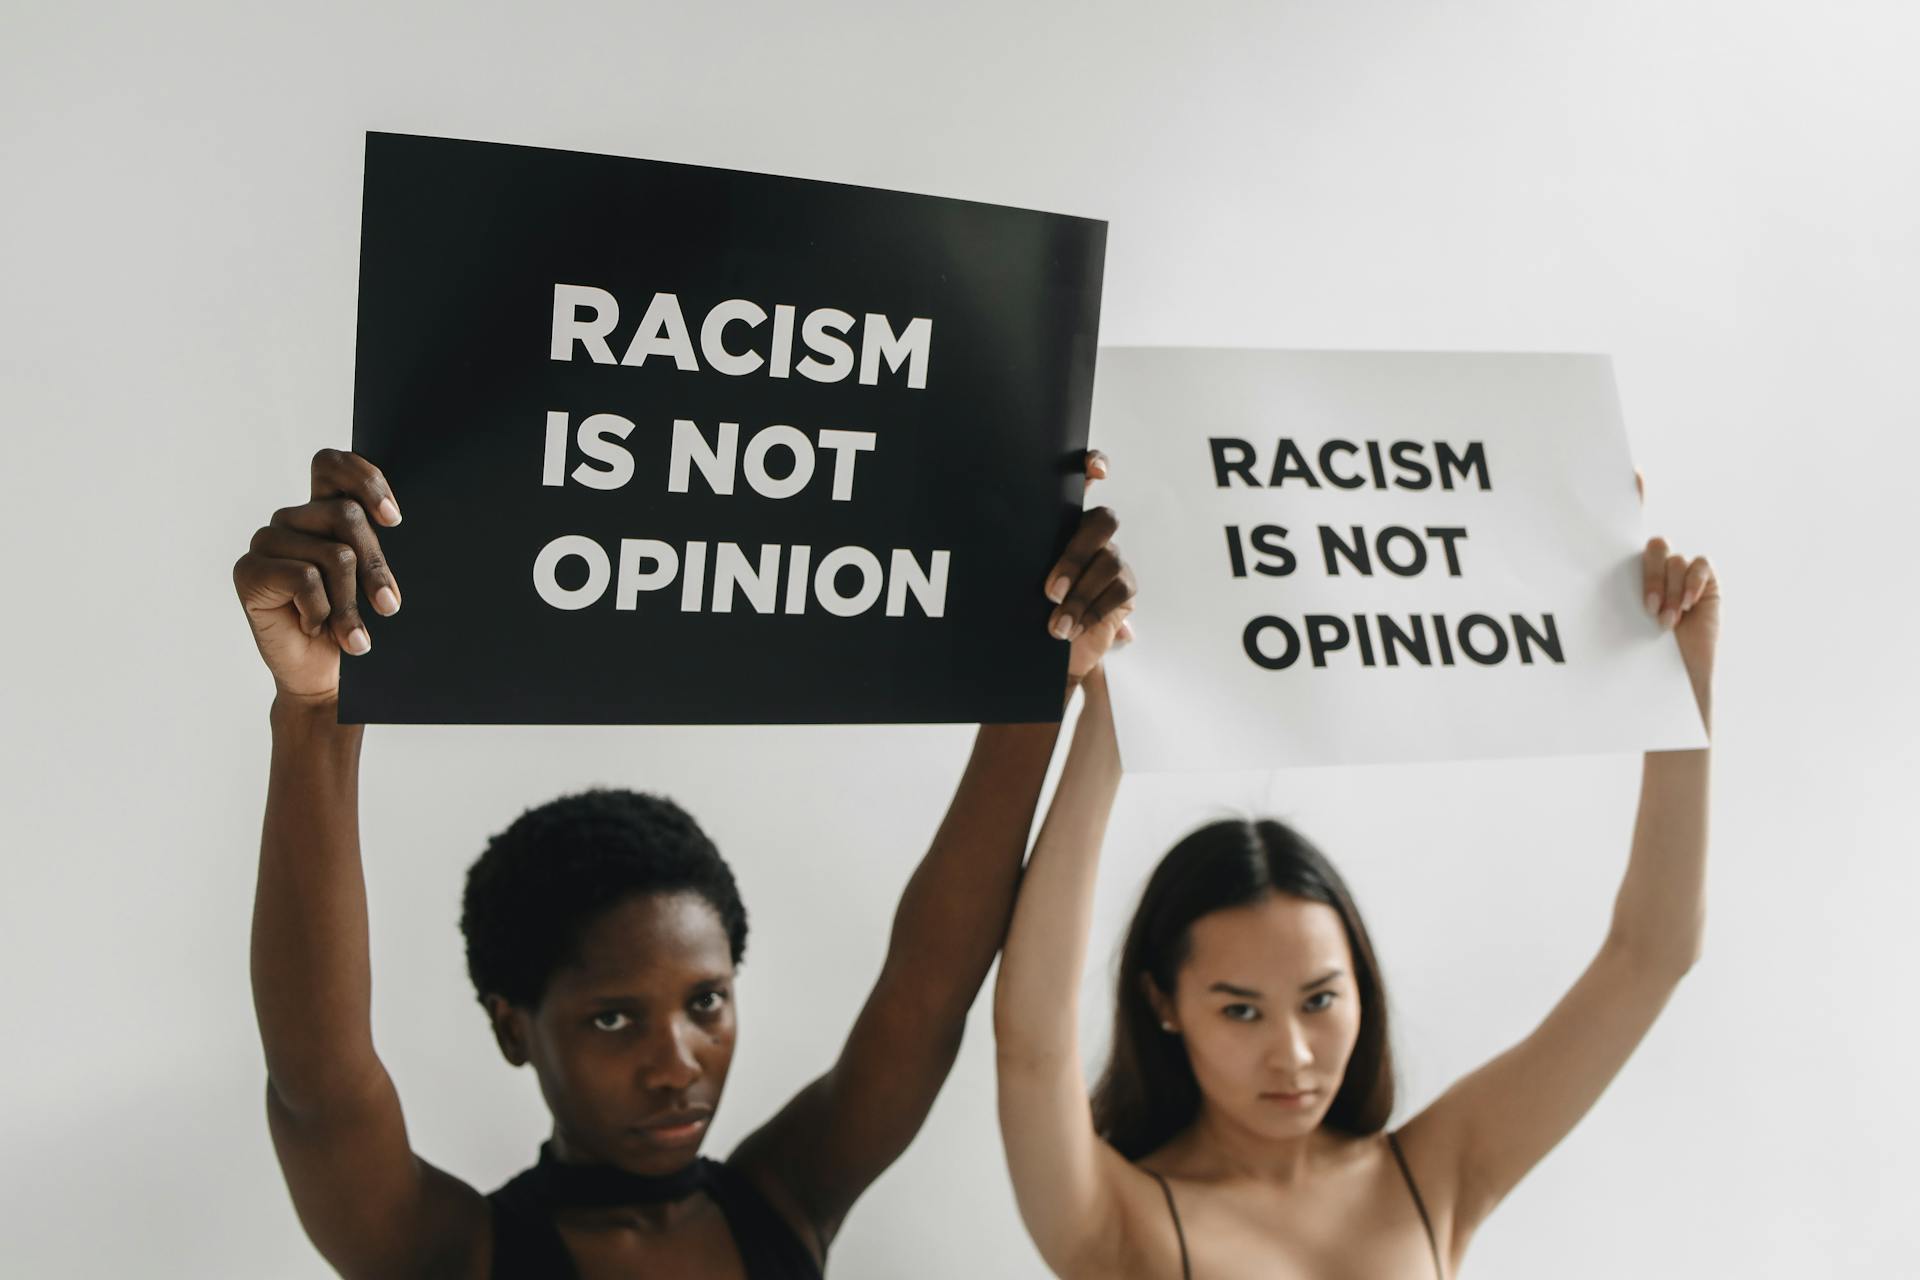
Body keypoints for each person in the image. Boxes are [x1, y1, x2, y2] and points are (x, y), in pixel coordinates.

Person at [235, 446, 1135, 1279]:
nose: (677, 1065)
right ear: (514, 1028)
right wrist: (315, 712)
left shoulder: (789, 1198)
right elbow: (321, 1083)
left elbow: (930, 988)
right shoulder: (449, 1251)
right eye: (614, 1020)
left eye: (705, 1002)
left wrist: (1038, 668)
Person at [993, 528, 1717, 1279]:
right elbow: (1032, 1045)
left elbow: (1651, 956)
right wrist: (1113, 714)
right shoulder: (1117, 1221)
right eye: (1240, 1009)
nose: (1295, 1055)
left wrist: (1681, 678)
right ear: (1163, 1003)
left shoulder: (1435, 1175)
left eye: (1320, 999)